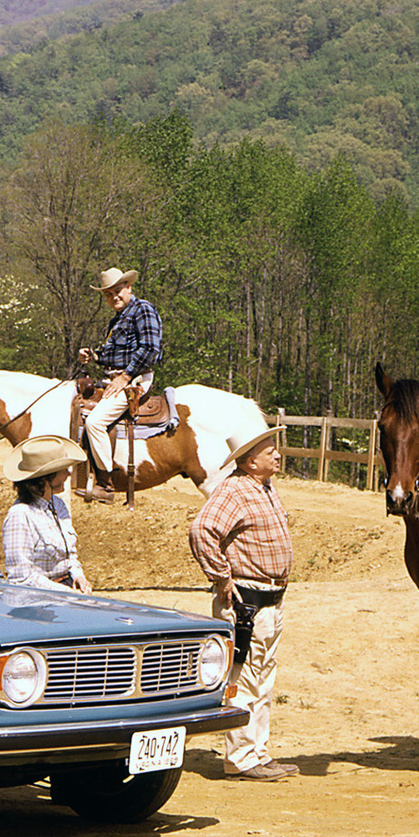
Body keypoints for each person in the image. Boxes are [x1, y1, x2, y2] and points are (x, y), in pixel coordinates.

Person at [188, 423, 297, 781]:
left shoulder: (264, 487)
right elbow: (202, 530)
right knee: (245, 677)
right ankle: (241, 758)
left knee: (262, 677)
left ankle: (257, 752)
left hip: (268, 600)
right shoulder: (234, 490)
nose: (277, 455)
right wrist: (221, 577)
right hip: (247, 602)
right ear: (250, 462)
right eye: (269, 451)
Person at [75, 266, 163, 503]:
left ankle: (105, 485)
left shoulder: (143, 309)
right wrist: (94, 356)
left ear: (129, 287)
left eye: (118, 291)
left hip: (135, 379)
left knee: (95, 422)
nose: (114, 296)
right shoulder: (117, 319)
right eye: (108, 294)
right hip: (116, 377)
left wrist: (125, 377)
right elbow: (113, 356)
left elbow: (151, 348)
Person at [1, 435, 92, 592]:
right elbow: (22, 577)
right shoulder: (20, 516)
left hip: (64, 589)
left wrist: (78, 576)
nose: (68, 474)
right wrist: (67, 593)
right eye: (63, 470)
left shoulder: (58, 505)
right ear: (45, 479)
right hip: (39, 598)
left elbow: (69, 555)